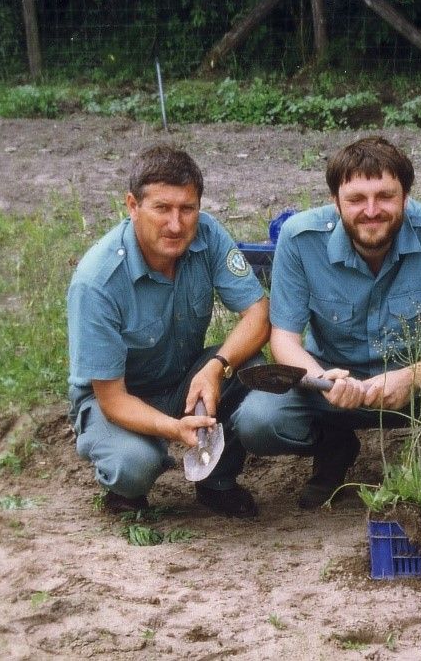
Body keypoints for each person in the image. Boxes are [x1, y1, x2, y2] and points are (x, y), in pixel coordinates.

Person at [230, 136, 421, 509]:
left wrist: (413, 376)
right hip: (334, 387)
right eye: (356, 199)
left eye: (385, 196)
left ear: (406, 197)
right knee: (258, 421)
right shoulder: (299, 238)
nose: (371, 210)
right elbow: (285, 339)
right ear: (334, 201)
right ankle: (333, 443)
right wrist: (321, 382)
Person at [67, 144, 270, 518]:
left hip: (183, 379)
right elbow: (111, 398)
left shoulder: (207, 235)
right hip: (118, 397)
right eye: (161, 208)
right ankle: (126, 489)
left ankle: (216, 482)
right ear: (132, 206)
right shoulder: (96, 282)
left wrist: (216, 366)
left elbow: (258, 313)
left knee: (248, 365)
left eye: (187, 209)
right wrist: (174, 430)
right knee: (133, 464)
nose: (176, 225)